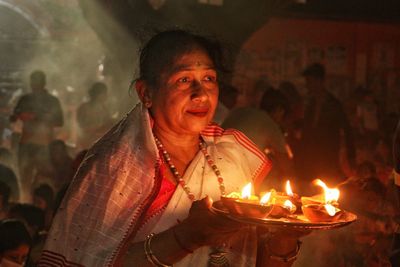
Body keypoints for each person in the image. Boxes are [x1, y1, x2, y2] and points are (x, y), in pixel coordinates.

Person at [39, 30, 304, 266]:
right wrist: (187, 236)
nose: (201, 94)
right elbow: (89, 261)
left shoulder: (231, 157)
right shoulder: (116, 166)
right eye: (183, 80)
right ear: (146, 94)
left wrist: (285, 238)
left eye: (209, 78)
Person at [297, 63, 355, 193]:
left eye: (309, 81)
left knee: (326, 195)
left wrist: (351, 157)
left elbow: (347, 131)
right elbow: (306, 132)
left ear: (319, 81)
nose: (307, 85)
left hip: (327, 160)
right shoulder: (310, 104)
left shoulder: (334, 105)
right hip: (310, 159)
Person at [10, 70, 64, 202]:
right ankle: (25, 202)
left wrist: (37, 117)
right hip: (26, 143)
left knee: (45, 178)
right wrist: (19, 116)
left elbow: (60, 121)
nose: (35, 85)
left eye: (37, 81)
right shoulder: (25, 99)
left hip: (45, 145)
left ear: (43, 83)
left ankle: (43, 205)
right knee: (24, 178)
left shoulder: (52, 101)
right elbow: (13, 117)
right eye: (33, 82)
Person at [76, 82, 115, 149]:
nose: (106, 96)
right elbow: (80, 126)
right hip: (86, 141)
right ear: (98, 94)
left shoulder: (104, 109)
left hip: (99, 142)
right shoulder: (84, 108)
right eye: (104, 93)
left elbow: (107, 124)